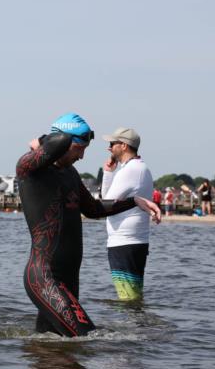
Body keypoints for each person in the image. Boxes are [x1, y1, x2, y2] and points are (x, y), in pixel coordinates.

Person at [16, 113, 161, 337]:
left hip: (69, 279)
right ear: (65, 141)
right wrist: (54, 137)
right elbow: (56, 142)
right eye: (79, 148)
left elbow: (93, 209)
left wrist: (134, 202)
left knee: (49, 348)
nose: (82, 157)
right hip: (45, 278)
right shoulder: (30, 170)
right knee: (87, 339)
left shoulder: (70, 174)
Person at [101, 128, 154, 302]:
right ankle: (137, 328)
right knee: (133, 296)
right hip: (133, 241)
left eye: (112, 144)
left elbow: (105, 204)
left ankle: (132, 329)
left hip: (124, 242)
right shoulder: (139, 167)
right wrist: (109, 173)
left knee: (127, 298)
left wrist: (108, 174)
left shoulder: (130, 170)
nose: (109, 148)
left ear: (123, 146)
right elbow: (108, 201)